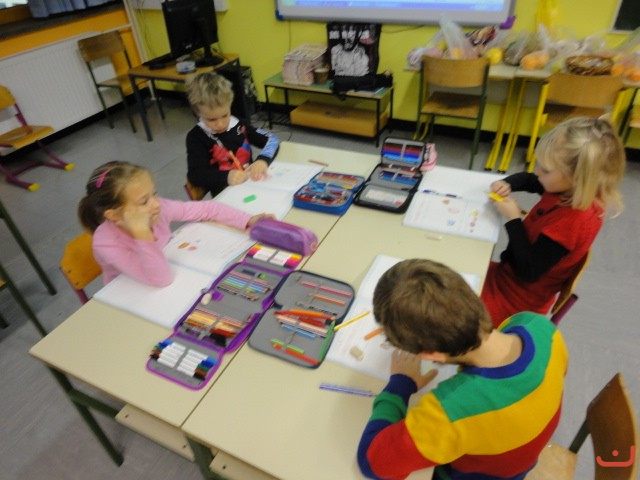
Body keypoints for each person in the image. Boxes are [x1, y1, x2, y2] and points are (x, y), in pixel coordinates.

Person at [357, 258, 568, 480]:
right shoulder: (538, 326)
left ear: (431, 354)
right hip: (515, 467)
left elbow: (373, 463)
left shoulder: (450, 411)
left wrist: (400, 384)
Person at [481, 116, 625, 327]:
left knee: (438, 303)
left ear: (576, 177)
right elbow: (532, 180)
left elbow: (528, 270)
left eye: (546, 170)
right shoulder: (569, 189)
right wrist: (508, 183)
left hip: (516, 303)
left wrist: (513, 219)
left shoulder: (573, 220)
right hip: (506, 278)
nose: (538, 171)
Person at [78, 161, 271, 286]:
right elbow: (161, 278)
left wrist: (247, 220)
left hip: (163, 269)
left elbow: (208, 208)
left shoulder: (157, 208)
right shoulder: (106, 244)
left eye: (153, 194)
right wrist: (142, 233)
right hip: (129, 292)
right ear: (114, 215)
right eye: (144, 201)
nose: (156, 204)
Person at [185, 72, 280, 198]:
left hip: (252, 187)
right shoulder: (196, 137)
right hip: (226, 198)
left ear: (230, 105)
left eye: (225, 115)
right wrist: (226, 177)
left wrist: (263, 160)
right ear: (197, 112)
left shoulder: (239, 124)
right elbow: (195, 175)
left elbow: (272, 139)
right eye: (211, 119)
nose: (220, 124)